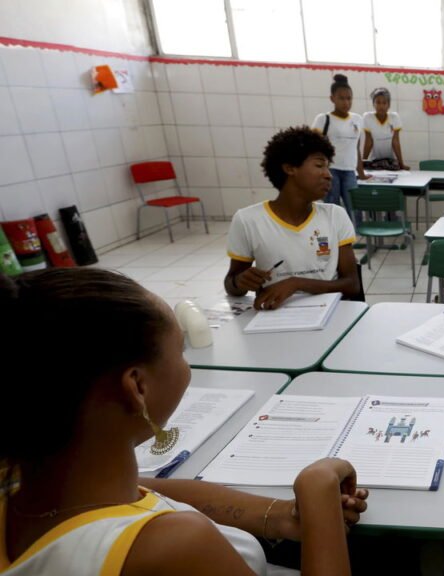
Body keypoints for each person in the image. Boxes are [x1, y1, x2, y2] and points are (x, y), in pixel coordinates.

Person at [0, 268, 367, 575]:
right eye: (180, 350)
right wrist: (317, 491)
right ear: (137, 387)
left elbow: (150, 489)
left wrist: (282, 514)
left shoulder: (26, 480)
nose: (186, 364)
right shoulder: (174, 545)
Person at [225, 126, 361, 310]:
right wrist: (240, 282)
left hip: (328, 312)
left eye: (328, 167)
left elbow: (352, 285)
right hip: (275, 314)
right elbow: (232, 285)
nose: (328, 175)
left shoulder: (335, 215)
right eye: (319, 165)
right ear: (290, 168)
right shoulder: (248, 220)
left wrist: (297, 283)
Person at [311, 74, 368, 222]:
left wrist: (361, 173)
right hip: (331, 171)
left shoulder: (357, 119)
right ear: (332, 99)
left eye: (349, 98)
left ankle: (354, 235)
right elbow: (312, 148)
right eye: (341, 98)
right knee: (332, 210)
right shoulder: (323, 119)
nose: (346, 102)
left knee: (355, 210)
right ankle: (333, 235)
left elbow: (356, 148)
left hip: (350, 171)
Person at [362, 87, 409, 171]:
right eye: (378, 102)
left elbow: (395, 142)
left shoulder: (394, 117)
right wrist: (363, 162)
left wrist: (401, 164)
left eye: (384, 103)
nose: (381, 106)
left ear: (389, 105)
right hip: (375, 160)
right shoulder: (368, 117)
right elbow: (368, 142)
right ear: (373, 104)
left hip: (390, 161)